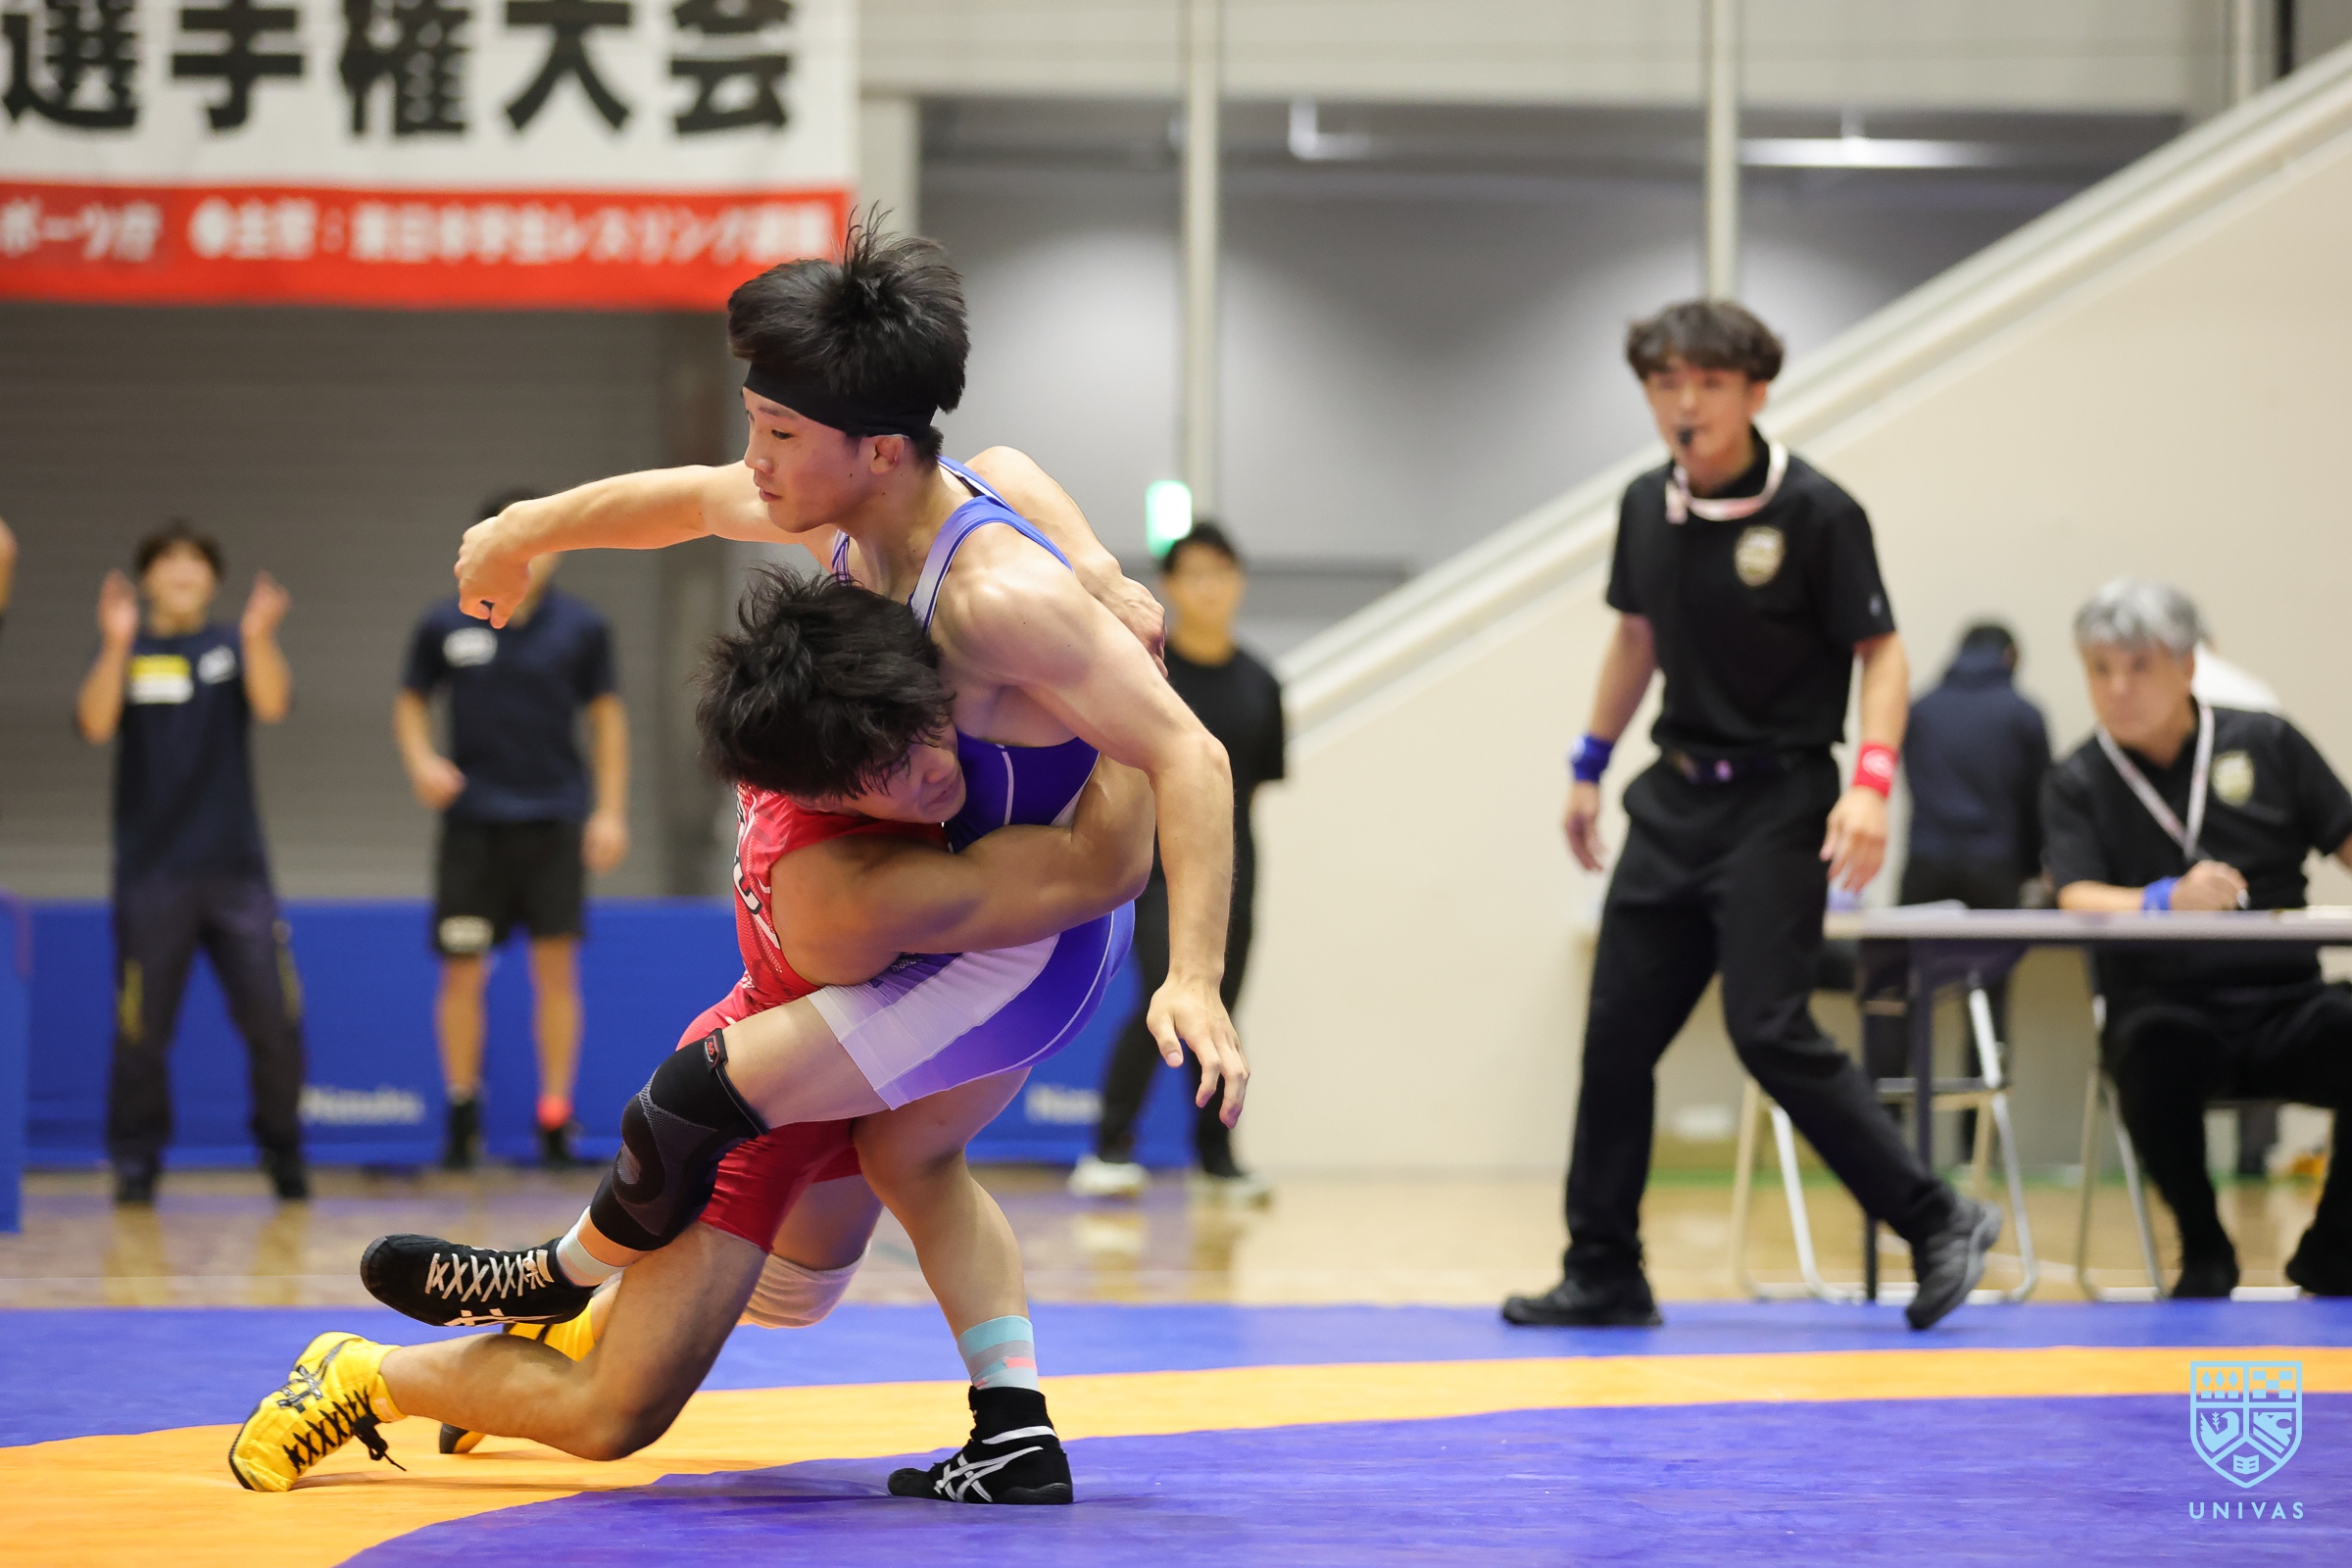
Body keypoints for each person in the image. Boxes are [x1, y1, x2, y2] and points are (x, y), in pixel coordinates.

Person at [231, 570, 1152, 1499]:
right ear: (826, 788)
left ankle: (571, 1311)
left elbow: (817, 510)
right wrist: (1135, 686)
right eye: (884, 770)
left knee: (807, 1287)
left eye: (925, 727)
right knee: (612, 1416)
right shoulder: (844, 887)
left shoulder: (817, 700)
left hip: (858, 1062)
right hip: (766, 1100)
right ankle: (368, 1374)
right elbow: (1097, 869)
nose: (932, 770)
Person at [1502, 300, 1995, 1334]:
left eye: (1710, 383)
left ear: (1756, 391)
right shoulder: (1646, 504)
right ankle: (1604, 1269)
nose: (1685, 404)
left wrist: (1871, 784)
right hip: (1674, 798)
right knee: (1616, 1034)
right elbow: (1636, 638)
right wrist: (1589, 763)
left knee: (1766, 1027)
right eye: (1665, 384)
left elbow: (1883, 654)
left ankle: (1938, 1215)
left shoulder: (1818, 513)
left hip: (1780, 800)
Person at [2041, 578, 2352, 1299]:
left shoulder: (2266, 741)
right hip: (2166, 1006)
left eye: (2138, 666)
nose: (2118, 688)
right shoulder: (2076, 779)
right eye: (2099, 670)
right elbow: (2075, 894)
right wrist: (2163, 901)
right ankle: (2205, 1248)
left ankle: (2336, 1250)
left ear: (2186, 667)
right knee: (2150, 1052)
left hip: (2286, 1005)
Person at [74, 521, 307, 1205]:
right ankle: (136, 1162)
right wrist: (115, 643)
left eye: (196, 561)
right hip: (152, 878)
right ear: (146, 579)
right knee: (141, 1032)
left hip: (238, 875)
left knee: (275, 1022)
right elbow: (93, 724)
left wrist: (260, 636)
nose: (182, 571)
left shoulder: (234, 646)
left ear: (213, 579)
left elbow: (273, 703)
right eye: (168, 561)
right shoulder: (129, 649)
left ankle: (283, 1149)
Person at [395, 503, 631, 1169]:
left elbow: (608, 721)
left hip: (554, 820)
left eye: (541, 540)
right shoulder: (446, 624)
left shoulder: (583, 628)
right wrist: (421, 761)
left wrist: (610, 812)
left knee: (556, 971)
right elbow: (411, 699)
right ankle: (461, 1113)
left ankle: (555, 1116)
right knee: (462, 971)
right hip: (473, 826)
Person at [1070, 521, 1283, 1203]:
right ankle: (1110, 1146)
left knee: (1223, 1007)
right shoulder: (1150, 670)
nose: (1209, 588)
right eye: (1194, 574)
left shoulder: (1261, 682)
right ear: (1170, 587)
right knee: (1165, 993)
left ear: (1238, 582)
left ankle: (1216, 1157)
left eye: (1221, 573)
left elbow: (1256, 787)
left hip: (1236, 871)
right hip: (1158, 868)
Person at [1881, 620, 2051, 1090]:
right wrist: (2031, 870)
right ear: (2010, 657)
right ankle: (1979, 1126)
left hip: (1926, 862)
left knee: (1899, 991)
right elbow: (2038, 801)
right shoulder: (2022, 714)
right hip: (1994, 868)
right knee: (1989, 997)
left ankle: (1885, 1116)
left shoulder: (1921, 709)